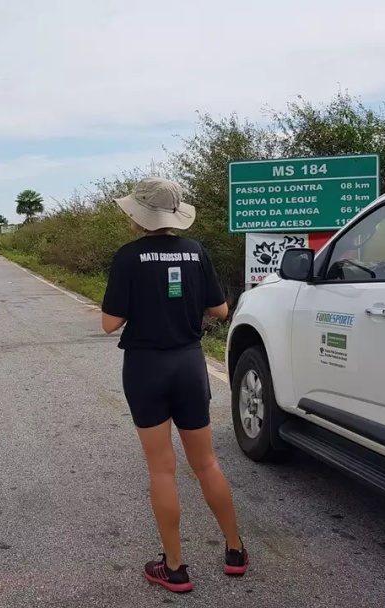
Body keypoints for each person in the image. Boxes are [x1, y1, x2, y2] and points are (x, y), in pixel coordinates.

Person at [100, 177, 249, 593]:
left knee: (162, 468)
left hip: (145, 368)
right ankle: (235, 550)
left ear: (138, 215)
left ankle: (176, 566)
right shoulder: (195, 251)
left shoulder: (127, 257)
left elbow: (109, 322)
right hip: (188, 364)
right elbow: (220, 309)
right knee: (206, 464)